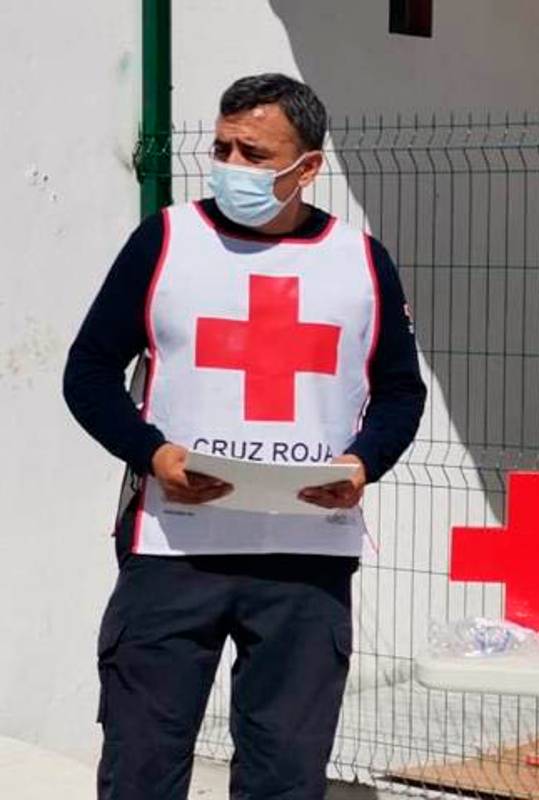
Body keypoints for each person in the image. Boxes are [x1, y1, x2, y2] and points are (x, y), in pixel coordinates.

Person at [63, 73, 427, 800]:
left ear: (308, 167)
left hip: (305, 557)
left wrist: (363, 463)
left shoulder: (360, 262)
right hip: (174, 552)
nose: (230, 165)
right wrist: (153, 453)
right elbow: (90, 374)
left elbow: (400, 392)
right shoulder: (166, 242)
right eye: (222, 147)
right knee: (139, 765)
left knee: (285, 776)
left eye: (254, 154)